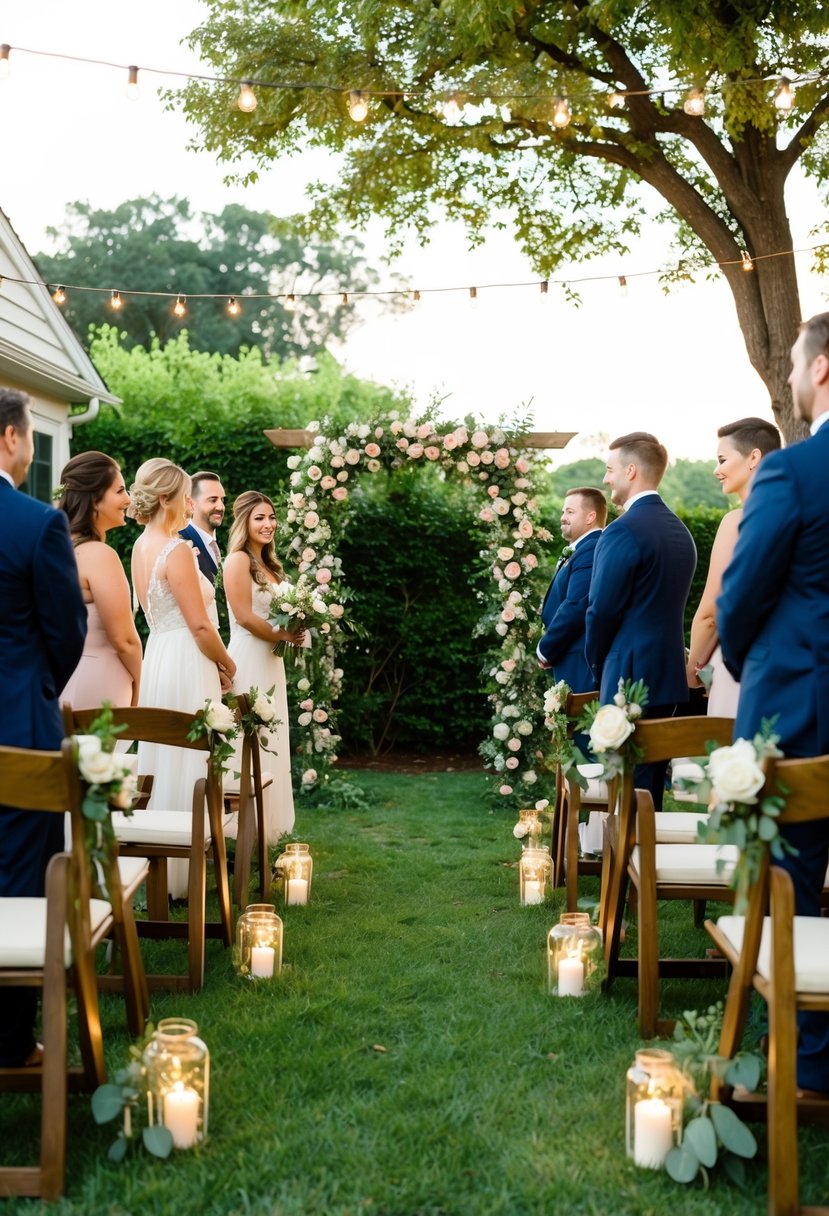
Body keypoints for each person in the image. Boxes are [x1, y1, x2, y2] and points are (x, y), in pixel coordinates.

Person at [718, 311, 829, 1097]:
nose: (788, 377)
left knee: (788, 879)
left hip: (799, 710)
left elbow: (740, 597)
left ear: (820, 370)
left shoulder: (792, 472)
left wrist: (744, 662)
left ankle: (806, 1058)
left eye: (793, 363)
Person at [0, 388, 87, 1067]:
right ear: (9, 438)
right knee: (21, 879)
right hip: (17, 729)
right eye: (29, 436)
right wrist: (35, 690)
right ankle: (8, 1041)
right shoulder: (36, 524)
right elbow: (66, 634)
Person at [130, 458, 236, 898]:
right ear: (169, 499)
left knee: (163, 756)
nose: (190, 504)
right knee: (191, 757)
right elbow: (199, 626)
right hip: (187, 658)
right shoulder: (174, 551)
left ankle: (159, 872)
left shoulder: (139, 545)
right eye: (185, 497)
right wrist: (227, 664)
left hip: (158, 654)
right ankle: (184, 873)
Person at [585, 432, 697, 810]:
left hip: (626, 678)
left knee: (621, 786)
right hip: (667, 677)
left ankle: (620, 867)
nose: (606, 479)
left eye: (610, 469)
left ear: (631, 471)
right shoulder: (681, 533)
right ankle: (644, 865)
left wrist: (598, 663)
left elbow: (601, 610)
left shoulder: (621, 530)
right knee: (649, 791)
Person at [223, 492, 306, 843]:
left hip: (272, 661)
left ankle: (269, 830)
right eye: (260, 518)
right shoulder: (238, 561)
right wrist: (284, 632)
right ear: (245, 522)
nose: (269, 524)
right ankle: (238, 834)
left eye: (272, 517)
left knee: (273, 737)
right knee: (249, 739)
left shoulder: (272, 567)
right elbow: (243, 616)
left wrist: (298, 627)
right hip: (248, 658)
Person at [685, 418, 781, 716]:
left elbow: (712, 614)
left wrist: (693, 668)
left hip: (740, 667)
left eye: (722, 460)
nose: (716, 470)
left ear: (754, 457)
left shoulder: (736, 522)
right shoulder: (797, 517)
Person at [57, 451, 143, 709]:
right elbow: (124, 640)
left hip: (62, 679)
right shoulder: (99, 555)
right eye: (120, 491)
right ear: (95, 499)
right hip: (99, 682)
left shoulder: (54, 549)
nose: (128, 500)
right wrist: (140, 685)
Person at [537, 486, 606, 690]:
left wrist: (545, 648)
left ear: (590, 517)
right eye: (562, 512)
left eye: (570, 512)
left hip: (579, 661)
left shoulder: (591, 549)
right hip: (568, 657)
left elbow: (576, 605)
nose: (563, 517)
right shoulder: (582, 549)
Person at [179, 469, 226, 584]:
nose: (221, 507)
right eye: (213, 500)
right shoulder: (182, 541)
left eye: (222, 500)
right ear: (191, 503)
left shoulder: (219, 543)